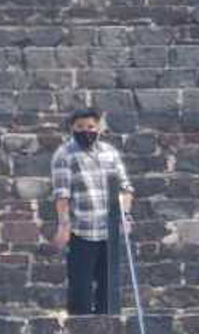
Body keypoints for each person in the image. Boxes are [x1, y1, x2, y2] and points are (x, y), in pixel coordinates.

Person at [50, 108, 135, 315]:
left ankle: (108, 329)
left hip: (110, 233)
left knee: (108, 291)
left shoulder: (110, 153)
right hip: (82, 233)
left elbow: (125, 188)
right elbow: (62, 195)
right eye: (80, 127)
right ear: (72, 128)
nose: (86, 131)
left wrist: (124, 214)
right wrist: (63, 226)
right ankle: (80, 332)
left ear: (98, 128)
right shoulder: (64, 155)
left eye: (90, 126)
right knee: (80, 292)